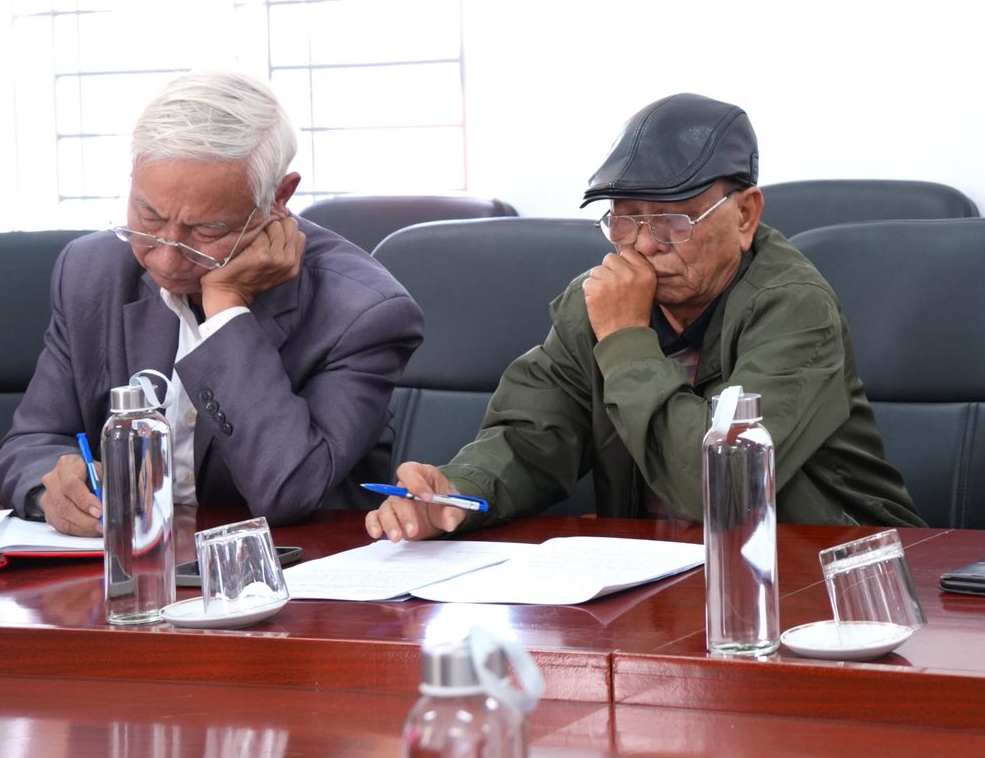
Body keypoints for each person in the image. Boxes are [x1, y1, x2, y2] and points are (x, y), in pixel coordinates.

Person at [366, 92, 923, 540]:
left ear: (745, 215)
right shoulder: (596, 301)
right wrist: (456, 492)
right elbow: (533, 437)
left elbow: (720, 487)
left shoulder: (794, 306)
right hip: (662, 578)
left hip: (828, 572)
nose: (644, 245)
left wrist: (626, 338)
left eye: (674, 221)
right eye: (625, 219)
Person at [0, 71, 424, 531]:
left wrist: (226, 310)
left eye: (207, 230)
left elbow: (289, 489)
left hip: (295, 564)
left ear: (279, 197)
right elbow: (29, 443)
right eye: (148, 215)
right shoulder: (92, 271)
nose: (165, 256)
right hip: (129, 560)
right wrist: (52, 490)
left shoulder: (363, 312)